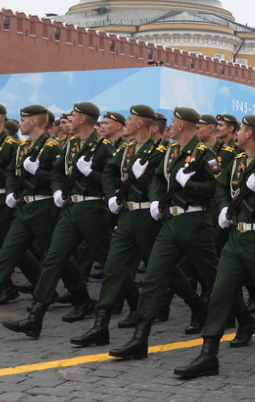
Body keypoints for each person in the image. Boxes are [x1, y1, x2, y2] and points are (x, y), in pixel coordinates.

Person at [174, 114, 255, 378]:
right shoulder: (237, 160)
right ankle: (208, 355)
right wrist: (225, 207)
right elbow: (221, 186)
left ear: (251, 134)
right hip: (236, 238)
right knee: (220, 292)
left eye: (242, 129)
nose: (238, 133)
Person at [70, 104, 200, 346]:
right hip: (126, 216)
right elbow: (109, 172)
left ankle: (196, 305)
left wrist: (151, 194)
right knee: (113, 268)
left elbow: (163, 180)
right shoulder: (127, 149)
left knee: (166, 271)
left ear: (140, 123)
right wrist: (112, 196)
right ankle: (100, 326)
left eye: (130, 120)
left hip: (147, 218)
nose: (126, 123)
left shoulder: (160, 151)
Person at [108, 107, 222, 360]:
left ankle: (244, 319)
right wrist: (155, 200)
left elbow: (215, 188)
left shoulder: (205, 154)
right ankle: (140, 339)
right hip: (170, 223)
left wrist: (189, 184)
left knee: (214, 277)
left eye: (173, 121)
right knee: (153, 277)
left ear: (181, 125)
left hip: (195, 222)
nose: (169, 125)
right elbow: (158, 179)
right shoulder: (171, 152)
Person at [4, 102, 116, 339]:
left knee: (112, 260)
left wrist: (90, 173)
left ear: (83, 119)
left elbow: (111, 180)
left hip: (92, 208)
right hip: (70, 208)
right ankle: (36, 317)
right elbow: (57, 171)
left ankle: (135, 303)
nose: (68, 120)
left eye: (73, 116)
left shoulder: (103, 147)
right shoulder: (71, 145)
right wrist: (57, 190)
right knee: (53, 259)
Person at [0, 106, 72, 329]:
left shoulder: (41, 146)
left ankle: (81, 296)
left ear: (34, 122)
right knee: (7, 254)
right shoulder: (15, 146)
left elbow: (57, 176)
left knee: (55, 255)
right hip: (15, 205)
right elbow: (14, 174)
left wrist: (33, 174)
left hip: (37, 206)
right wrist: (12, 192)